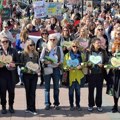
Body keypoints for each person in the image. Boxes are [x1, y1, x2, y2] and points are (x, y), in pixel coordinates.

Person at [40, 34, 64, 110]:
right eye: (51, 39)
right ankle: (47, 103)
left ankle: (56, 103)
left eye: (54, 39)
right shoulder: (45, 48)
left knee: (56, 87)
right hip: (47, 69)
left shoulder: (59, 48)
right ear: (48, 40)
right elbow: (41, 58)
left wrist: (59, 63)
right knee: (47, 87)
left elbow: (62, 59)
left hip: (56, 69)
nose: (53, 41)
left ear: (56, 40)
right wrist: (46, 62)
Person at [86, 37, 108, 112]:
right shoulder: (89, 52)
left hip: (100, 74)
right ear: (93, 44)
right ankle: (90, 105)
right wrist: (89, 65)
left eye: (100, 43)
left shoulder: (103, 51)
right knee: (91, 90)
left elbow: (107, 61)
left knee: (99, 90)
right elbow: (86, 62)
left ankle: (99, 105)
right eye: (97, 43)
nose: (99, 44)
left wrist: (103, 65)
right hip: (91, 74)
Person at [63, 40, 85, 111]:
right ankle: (71, 105)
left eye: (76, 46)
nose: (75, 48)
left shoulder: (82, 55)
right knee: (71, 92)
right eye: (73, 46)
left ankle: (78, 105)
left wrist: (81, 66)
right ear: (71, 47)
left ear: (78, 47)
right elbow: (64, 65)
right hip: (71, 76)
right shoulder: (67, 55)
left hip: (78, 76)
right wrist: (68, 68)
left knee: (78, 92)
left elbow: (84, 63)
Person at [0, 36, 19, 114]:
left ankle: (11, 106)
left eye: (6, 42)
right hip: (1, 75)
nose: (5, 43)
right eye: (3, 42)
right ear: (0, 43)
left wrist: (14, 64)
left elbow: (18, 61)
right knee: (2, 92)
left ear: (8, 42)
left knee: (11, 92)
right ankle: (3, 106)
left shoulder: (13, 51)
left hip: (11, 75)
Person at [20, 40, 39, 115]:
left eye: (33, 45)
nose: (32, 46)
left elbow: (38, 64)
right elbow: (21, 64)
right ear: (27, 45)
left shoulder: (36, 54)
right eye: (30, 45)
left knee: (33, 91)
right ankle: (28, 107)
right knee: (27, 91)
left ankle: (33, 108)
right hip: (26, 75)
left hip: (34, 75)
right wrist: (25, 69)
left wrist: (38, 69)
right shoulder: (23, 54)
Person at [110, 35, 120, 113]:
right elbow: (110, 59)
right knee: (115, 89)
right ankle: (115, 105)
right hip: (115, 73)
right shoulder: (113, 51)